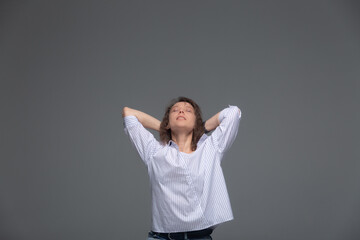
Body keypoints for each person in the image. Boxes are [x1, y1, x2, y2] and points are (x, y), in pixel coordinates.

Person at [122, 96, 242, 240]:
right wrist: (164, 127)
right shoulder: (154, 151)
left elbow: (233, 113)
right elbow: (128, 114)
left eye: (188, 110)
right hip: (161, 237)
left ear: (195, 121)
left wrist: (201, 128)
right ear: (168, 122)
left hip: (199, 237)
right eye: (175, 110)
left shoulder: (211, 148)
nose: (181, 112)